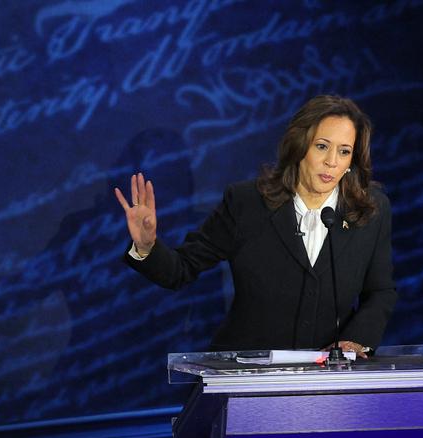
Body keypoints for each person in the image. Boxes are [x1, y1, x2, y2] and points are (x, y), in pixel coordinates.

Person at [115, 95, 395, 354]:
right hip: (248, 375)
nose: (332, 162)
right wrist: (146, 245)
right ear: (299, 146)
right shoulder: (246, 203)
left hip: (328, 380)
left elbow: (380, 291)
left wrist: (355, 340)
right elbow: (181, 269)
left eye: (344, 151)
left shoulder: (370, 210)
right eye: (322, 146)